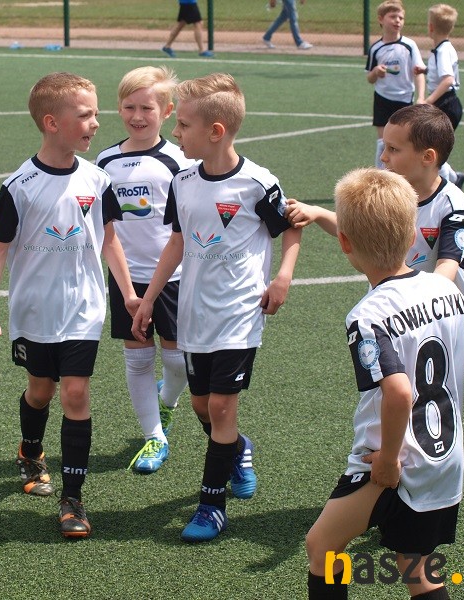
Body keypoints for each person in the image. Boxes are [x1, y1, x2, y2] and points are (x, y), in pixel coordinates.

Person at [304, 167, 464, 600]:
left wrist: (389, 461)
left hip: (392, 462)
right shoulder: (449, 292)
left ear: (344, 242)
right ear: (413, 235)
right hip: (443, 460)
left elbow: (398, 392)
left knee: (322, 547)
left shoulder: (368, 316)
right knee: (416, 568)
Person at [131, 73, 302, 542]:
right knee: (203, 405)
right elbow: (177, 242)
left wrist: (283, 276)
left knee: (223, 406)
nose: (176, 133)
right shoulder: (182, 181)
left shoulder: (257, 183)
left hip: (239, 315)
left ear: (216, 131)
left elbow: (291, 227)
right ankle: (238, 449)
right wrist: (149, 298)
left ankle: (211, 506)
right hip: (194, 314)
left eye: (184, 125)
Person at [0, 72, 138, 539]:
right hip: (34, 311)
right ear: (51, 122)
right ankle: (30, 449)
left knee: (76, 394)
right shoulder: (20, 185)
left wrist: (127, 293)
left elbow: (109, 241)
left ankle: (73, 499)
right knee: (40, 391)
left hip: (84, 308)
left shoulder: (98, 180)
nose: (95, 123)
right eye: (85, 115)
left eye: (96, 114)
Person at [96, 66, 195, 474]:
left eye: (147, 108)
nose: (137, 116)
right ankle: (155, 436)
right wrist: (126, 290)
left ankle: (167, 399)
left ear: (167, 111)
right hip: (126, 278)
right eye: (129, 107)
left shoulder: (180, 161)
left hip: (173, 277)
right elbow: (105, 231)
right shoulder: (105, 161)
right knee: (137, 358)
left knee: (178, 360)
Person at [287, 104, 464, 306]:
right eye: (384, 147)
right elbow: (362, 230)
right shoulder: (388, 193)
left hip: (439, 312)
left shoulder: (451, 203)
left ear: (427, 157)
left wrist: (418, 305)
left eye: (393, 149)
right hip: (393, 307)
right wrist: (317, 213)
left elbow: (447, 266)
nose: (383, 157)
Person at [366, 1, 425, 169]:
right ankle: (380, 178)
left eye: (401, 17)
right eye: (393, 16)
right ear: (381, 19)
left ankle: (448, 174)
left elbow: (418, 72)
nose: (397, 20)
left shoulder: (409, 45)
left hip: (404, 100)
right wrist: (375, 72)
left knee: (407, 143)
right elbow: (369, 78)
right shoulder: (376, 48)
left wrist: (421, 97)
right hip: (382, 99)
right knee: (382, 143)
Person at [421, 3, 464, 188]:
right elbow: (441, 74)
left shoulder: (442, 51)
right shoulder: (442, 49)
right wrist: (424, 70)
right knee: (432, 147)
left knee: (432, 149)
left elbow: (447, 80)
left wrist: (428, 101)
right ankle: (453, 179)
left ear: (431, 27)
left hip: (445, 104)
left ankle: (449, 183)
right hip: (447, 103)